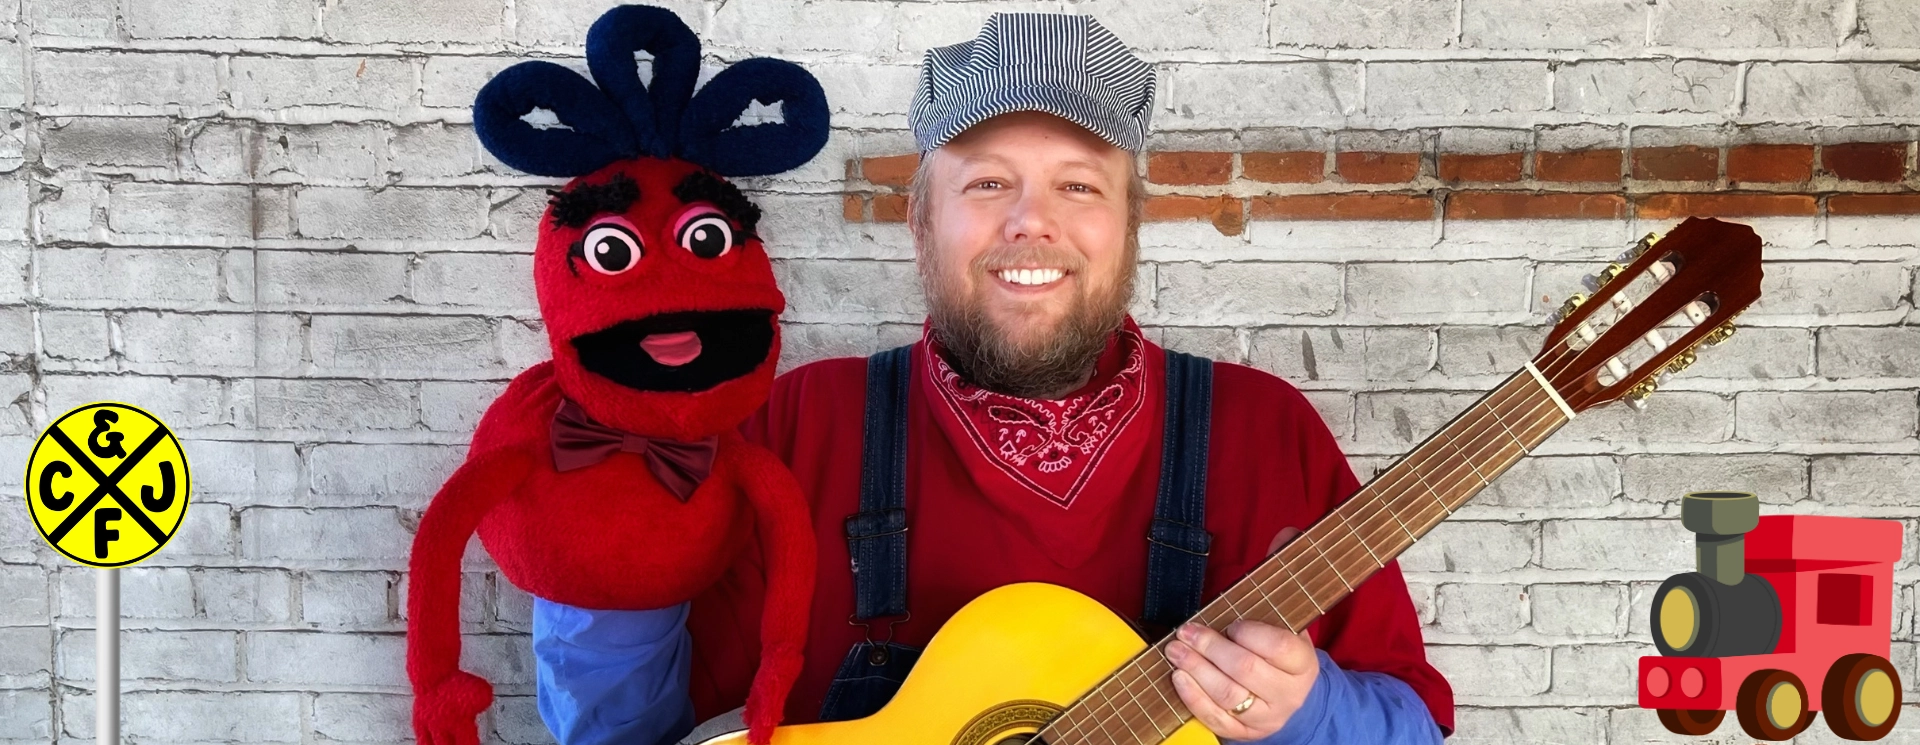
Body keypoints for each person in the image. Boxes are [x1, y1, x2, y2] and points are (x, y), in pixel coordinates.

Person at [534, 13, 1452, 745]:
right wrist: (601, 529)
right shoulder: (795, 426)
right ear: (920, 220)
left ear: (1131, 224)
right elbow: (617, 729)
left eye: (1079, 187)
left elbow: (1410, 723)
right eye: (985, 185)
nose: (1030, 222)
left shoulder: (1265, 429)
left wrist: (1309, 713)